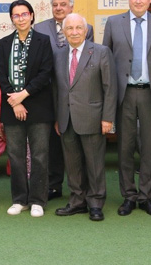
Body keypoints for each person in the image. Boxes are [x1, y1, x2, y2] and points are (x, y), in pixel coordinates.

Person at [103, 0, 151, 217]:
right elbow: (106, 63)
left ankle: (146, 197)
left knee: (150, 148)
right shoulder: (113, 23)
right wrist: (108, 98)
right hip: (124, 94)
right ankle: (128, 196)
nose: (139, 0)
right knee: (124, 148)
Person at [53, 13, 117, 221]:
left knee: (95, 163)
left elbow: (110, 87)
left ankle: (96, 203)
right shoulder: (59, 54)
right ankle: (77, 201)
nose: (74, 32)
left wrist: (108, 118)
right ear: (64, 32)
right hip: (66, 118)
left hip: (93, 117)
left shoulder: (100, 52)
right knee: (72, 164)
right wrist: (57, 117)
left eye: (78, 28)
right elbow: (57, 89)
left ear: (86, 29)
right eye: (69, 28)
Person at [33, 0, 94, 201]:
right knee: (52, 142)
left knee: (76, 143)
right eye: (55, 5)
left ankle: (83, 188)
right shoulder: (39, 28)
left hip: (76, 97)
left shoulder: (86, 28)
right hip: (46, 94)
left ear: (72, 6)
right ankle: (53, 185)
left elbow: (87, 60)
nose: (59, 8)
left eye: (63, 4)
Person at [0, 0, 54, 218]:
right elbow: (1, 75)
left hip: (38, 106)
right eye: (16, 15)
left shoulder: (43, 41)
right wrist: (16, 100)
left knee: (39, 155)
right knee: (16, 155)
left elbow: (45, 73)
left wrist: (24, 95)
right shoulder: (3, 43)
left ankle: (38, 200)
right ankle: (20, 199)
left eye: (24, 14)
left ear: (31, 15)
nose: (20, 18)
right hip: (12, 106)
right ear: (11, 19)